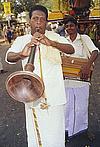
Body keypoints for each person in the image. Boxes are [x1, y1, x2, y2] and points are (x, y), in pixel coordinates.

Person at [5, 5, 74, 147]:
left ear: (46, 22)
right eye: (35, 18)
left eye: (42, 19)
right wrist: (21, 54)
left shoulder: (55, 36)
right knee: (36, 134)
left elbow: (71, 49)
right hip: (31, 94)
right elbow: (9, 57)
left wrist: (53, 43)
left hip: (55, 95)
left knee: (55, 134)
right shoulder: (22, 39)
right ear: (29, 21)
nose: (38, 22)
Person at [63, 16, 99, 140]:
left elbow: (95, 52)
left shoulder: (84, 38)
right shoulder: (63, 41)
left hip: (82, 79)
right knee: (66, 107)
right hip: (66, 80)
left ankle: (83, 130)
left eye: (71, 25)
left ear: (76, 26)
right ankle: (66, 131)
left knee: (82, 107)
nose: (69, 28)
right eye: (67, 26)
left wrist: (87, 66)